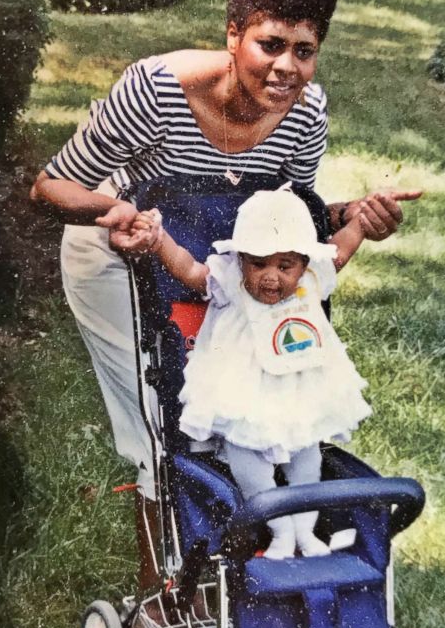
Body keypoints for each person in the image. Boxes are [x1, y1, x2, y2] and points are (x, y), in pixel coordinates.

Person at [30, 0, 421, 595]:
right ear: (233, 34)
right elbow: (51, 185)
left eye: (305, 50)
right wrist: (118, 211)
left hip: (220, 259)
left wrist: (355, 215)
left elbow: (291, 219)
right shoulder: (154, 90)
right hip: (121, 246)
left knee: (236, 400)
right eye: (271, 44)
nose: (287, 68)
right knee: (159, 412)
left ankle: (240, 554)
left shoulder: (306, 111)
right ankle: (163, 590)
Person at [128, 188, 372, 558]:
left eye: (284, 266)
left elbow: (340, 251)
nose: (271, 277)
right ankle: (279, 529)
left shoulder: (312, 279)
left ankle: (305, 530)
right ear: (240, 258)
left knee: (307, 458)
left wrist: (362, 223)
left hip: (300, 394)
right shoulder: (229, 280)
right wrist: (161, 242)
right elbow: (189, 270)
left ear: (304, 262)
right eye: (258, 264)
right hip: (244, 396)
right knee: (247, 461)